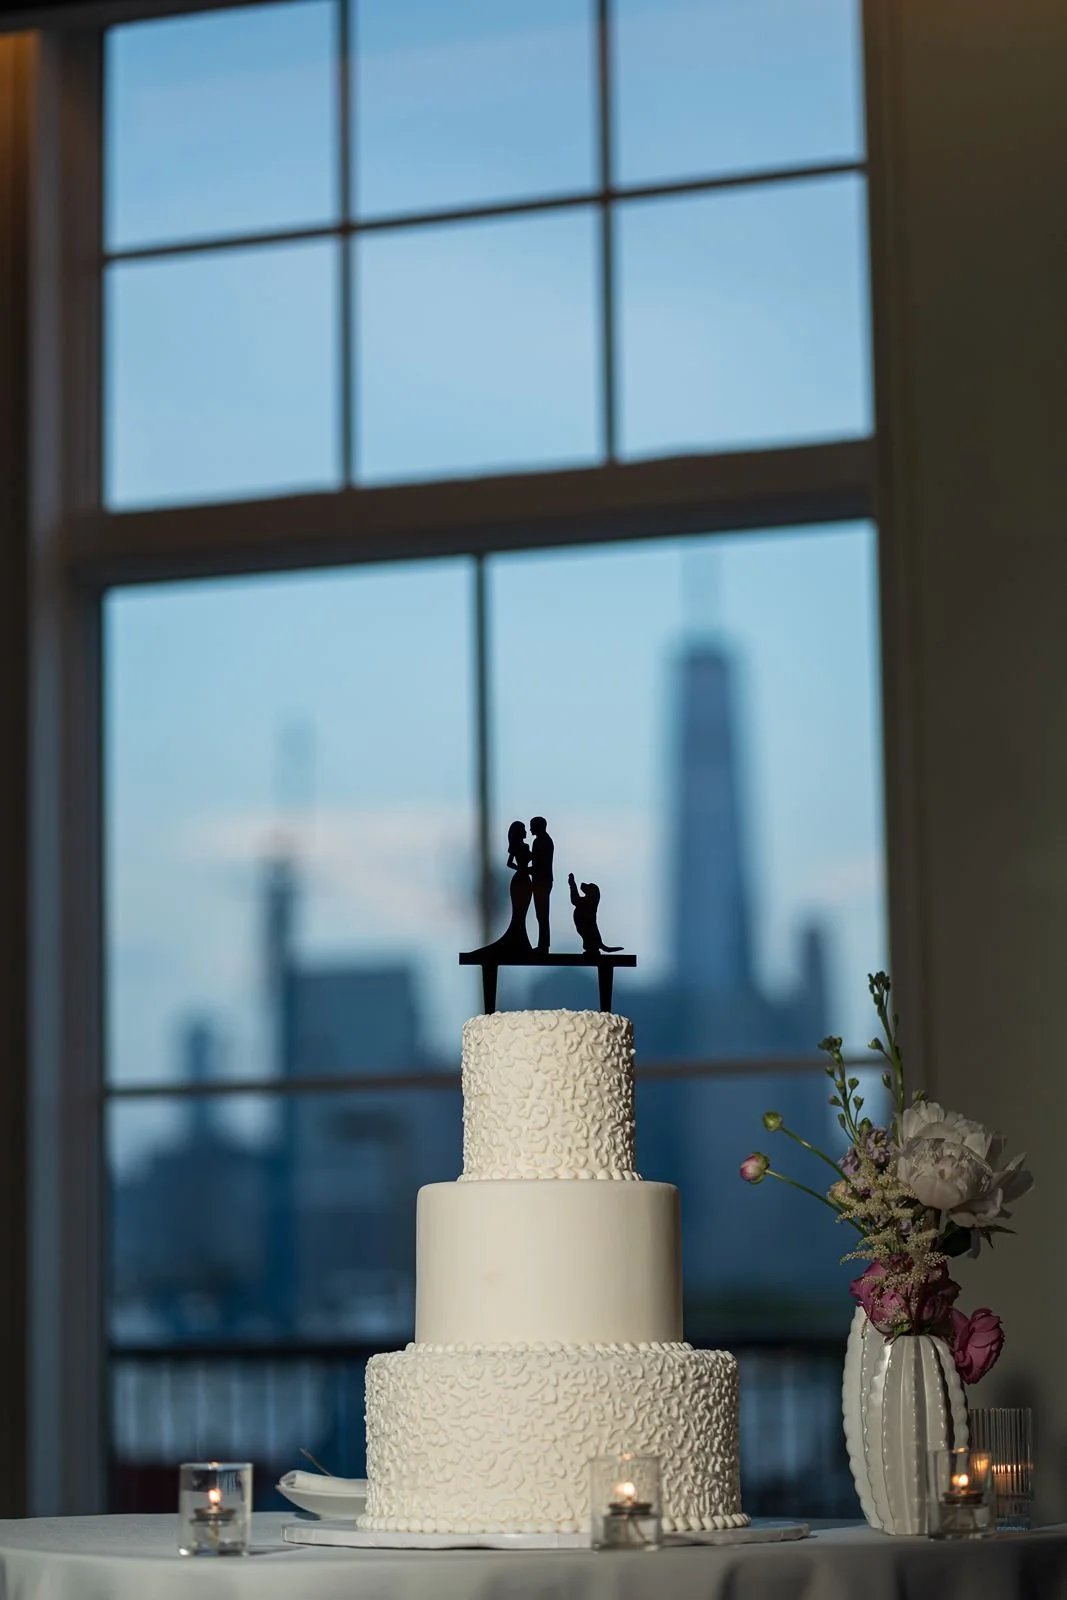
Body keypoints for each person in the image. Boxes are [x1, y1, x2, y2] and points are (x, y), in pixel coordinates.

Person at [568, 874, 623, 955]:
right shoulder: (588, 902)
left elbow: (575, 900)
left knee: (589, 938)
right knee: (588, 937)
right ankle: (592, 949)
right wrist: (572, 884)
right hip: (588, 931)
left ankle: (593, 950)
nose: (584, 885)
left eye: (588, 886)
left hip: (591, 933)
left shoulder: (589, 903)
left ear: (592, 893)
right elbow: (575, 900)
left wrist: (572, 885)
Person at [529, 816, 554, 955]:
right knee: (542, 915)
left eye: (532, 826)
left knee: (542, 915)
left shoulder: (540, 842)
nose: (530, 829)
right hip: (542, 881)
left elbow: (539, 865)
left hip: (541, 882)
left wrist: (523, 870)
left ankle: (544, 946)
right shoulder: (543, 841)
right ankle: (543, 945)